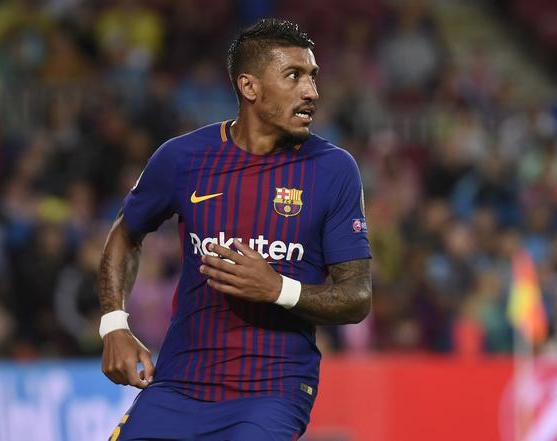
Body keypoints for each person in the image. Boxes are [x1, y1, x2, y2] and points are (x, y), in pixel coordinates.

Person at [98, 18, 372, 441]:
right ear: (249, 87)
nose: (311, 92)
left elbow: (357, 296)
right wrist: (113, 323)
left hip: (272, 392)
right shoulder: (183, 158)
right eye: (294, 76)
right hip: (178, 383)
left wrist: (278, 289)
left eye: (313, 76)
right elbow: (125, 233)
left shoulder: (333, 169)